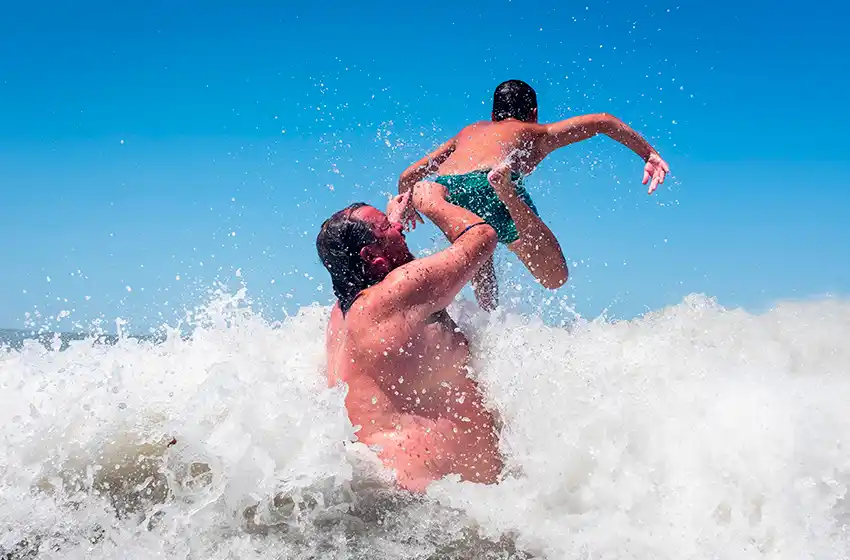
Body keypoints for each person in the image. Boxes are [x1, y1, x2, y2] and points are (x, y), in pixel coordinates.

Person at [396, 79, 671, 310]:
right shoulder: (535, 132)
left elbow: (407, 176)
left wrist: (407, 204)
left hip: (449, 188)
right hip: (490, 184)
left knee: (479, 258)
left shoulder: (468, 132)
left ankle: (486, 326)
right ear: (534, 112)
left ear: (493, 116)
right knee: (555, 276)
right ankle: (506, 191)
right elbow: (603, 121)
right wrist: (648, 153)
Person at [316, 181, 504, 493]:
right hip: (442, 505)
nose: (398, 226)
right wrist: (432, 203)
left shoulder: (342, 316)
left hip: (399, 495)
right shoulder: (396, 295)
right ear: (372, 256)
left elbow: (395, 269)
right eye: (386, 226)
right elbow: (482, 238)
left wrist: (390, 227)